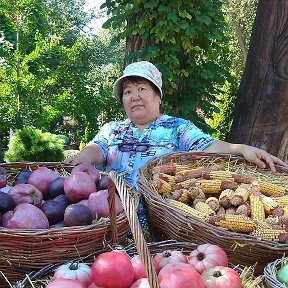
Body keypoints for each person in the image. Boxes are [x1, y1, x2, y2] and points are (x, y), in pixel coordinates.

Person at [65, 60, 287, 186]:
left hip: (160, 222)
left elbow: (207, 146)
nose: (134, 96)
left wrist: (241, 149)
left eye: (142, 89)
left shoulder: (178, 128)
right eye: (128, 92)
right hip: (113, 218)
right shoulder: (113, 129)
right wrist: (81, 160)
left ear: (158, 96)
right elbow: (96, 149)